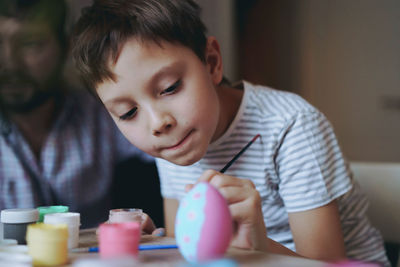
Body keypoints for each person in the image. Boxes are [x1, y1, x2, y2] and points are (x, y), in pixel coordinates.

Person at [71, 0, 389, 265]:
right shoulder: (171, 142)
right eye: (128, 113)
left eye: (169, 88)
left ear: (211, 63)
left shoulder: (292, 126)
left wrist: (254, 242)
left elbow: (326, 264)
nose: (157, 123)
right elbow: (197, 251)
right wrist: (160, 239)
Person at [0, 0, 163, 229]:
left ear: (65, 48)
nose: (8, 63)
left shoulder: (100, 115)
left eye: (30, 44)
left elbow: (176, 145)